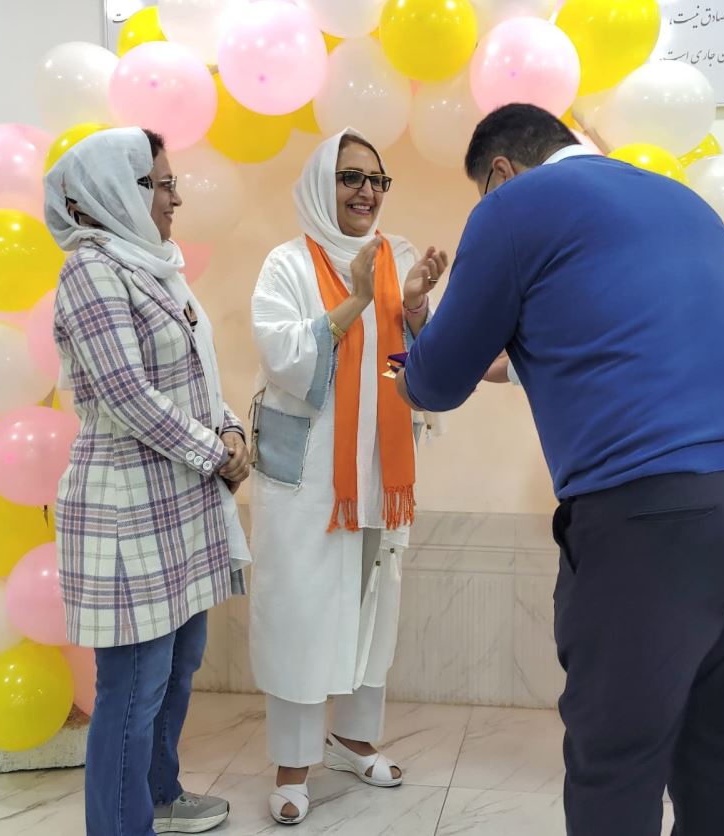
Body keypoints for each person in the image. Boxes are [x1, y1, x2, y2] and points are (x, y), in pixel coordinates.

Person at [396, 104, 724, 836]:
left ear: (499, 171)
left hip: (662, 513)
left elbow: (435, 384)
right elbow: (610, 335)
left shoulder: (513, 206)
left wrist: (412, 347)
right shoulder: (681, 202)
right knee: (713, 729)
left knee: (618, 755)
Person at [46, 127, 250, 836]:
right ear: (107, 193)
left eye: (171, 184)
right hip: (126, 514)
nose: (174, 199)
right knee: (131, 690)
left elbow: (195, 375)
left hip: (180, 506)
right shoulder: (91, 270)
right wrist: (215, 453)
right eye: (159, 185)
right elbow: (127, 395)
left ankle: (160, 797)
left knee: (178, 666)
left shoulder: (156, 266)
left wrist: (231, 429)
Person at [246, 129, 447, 825]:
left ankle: (354, 740)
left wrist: (414, 308)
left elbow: (421, 365)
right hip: (310, 482)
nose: (367, 192)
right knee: (301, 614)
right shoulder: (286, 264)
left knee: (372, 603)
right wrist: (356, 300)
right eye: (351, 177)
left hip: (381, 473)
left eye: (377, 180)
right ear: (320, 183)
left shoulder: (399, 255)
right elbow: (282, 359)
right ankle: (292, 764)